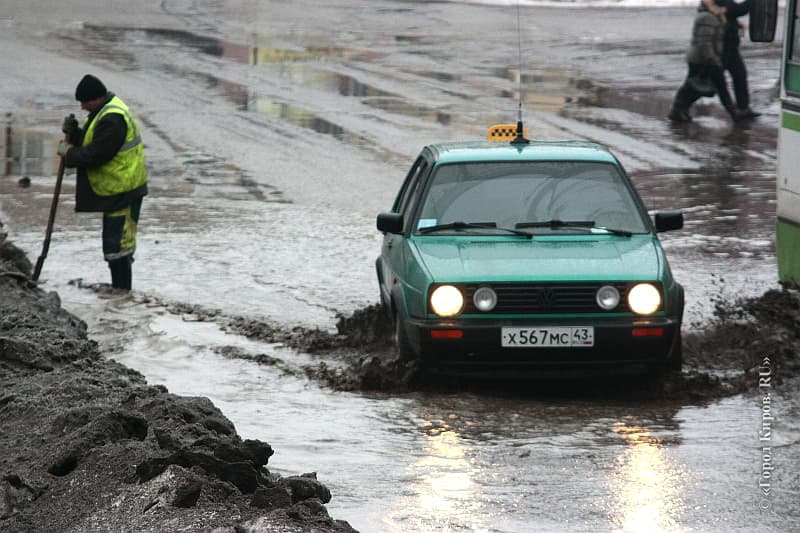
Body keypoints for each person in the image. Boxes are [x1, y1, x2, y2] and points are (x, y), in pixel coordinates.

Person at [58, 74, 148, 291]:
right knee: (115, 246)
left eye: (84, 102)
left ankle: (123, 295)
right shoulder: (105, 112)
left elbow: (96, 154)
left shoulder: (111, 118)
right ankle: (120, 294)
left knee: (118, 247)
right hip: (117, 189)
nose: (82, 107)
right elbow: (95, 141)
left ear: (95, 98)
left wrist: (69, 153)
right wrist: (76, 135)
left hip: (122, 190)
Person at [668, 6, 739, 122]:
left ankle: (678, 110)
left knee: (692, 87)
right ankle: (734, 114)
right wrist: (713, 59)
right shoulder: (707, 17)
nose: (725, 8)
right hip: (702, 60)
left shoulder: (715, 17)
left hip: (703, 59)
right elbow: (704, 43)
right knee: (716, 87)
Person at [702, 0, 759, 119]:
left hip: (730, 49)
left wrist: (737, 26)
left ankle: (743, 108)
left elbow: (732, 13)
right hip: (720, 49)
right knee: (713, 82)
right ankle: (680, 107)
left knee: (739, 75)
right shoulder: (715, 3)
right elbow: (736, 10)